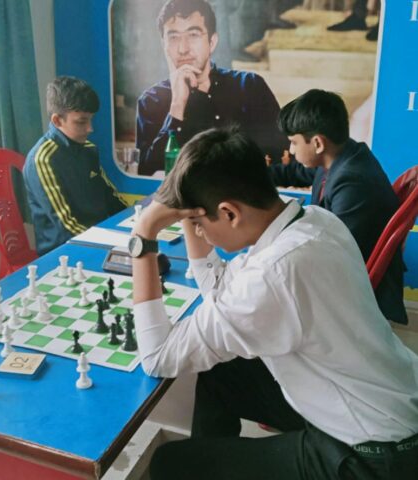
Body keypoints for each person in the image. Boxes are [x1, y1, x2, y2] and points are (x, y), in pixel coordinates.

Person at [130, 126, 418, 480]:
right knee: (220, 373)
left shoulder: (273, 275)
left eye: (197, 222)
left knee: (169, 464)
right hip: (384, 402)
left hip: (373, 457)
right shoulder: (315, 221)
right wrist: (190, 205)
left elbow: (158, 357)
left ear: (229, 213)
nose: (198, 231)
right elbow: (219, 291)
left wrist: (143, 234)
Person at [269, 89, 407, 324]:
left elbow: (334, 251)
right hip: (338, 262)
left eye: (293, 142)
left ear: (317, 143)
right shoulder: (340, 156)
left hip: (350, 282)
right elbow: (296, 172)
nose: (291, 150)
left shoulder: (353, 181)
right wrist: (252, 178)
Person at [135, 0, 287, 176]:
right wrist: (177, 106)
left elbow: (284, 154)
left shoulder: (250, 86)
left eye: (193, 35)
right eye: (174, 37)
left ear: (212, 42)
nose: (183, 49)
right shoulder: (151, 101)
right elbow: (146, 173)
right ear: (164, 45)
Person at [24, 76, 127, 255]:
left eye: (91, 120)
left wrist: (136, 219)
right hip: (64, 250)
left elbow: (111, 196)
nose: (90, 128)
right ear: (57, 121)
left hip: (98, 237)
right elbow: (66, 224)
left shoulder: (88, 149)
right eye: (81, 122)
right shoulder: (43, 159)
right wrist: (112, 245)